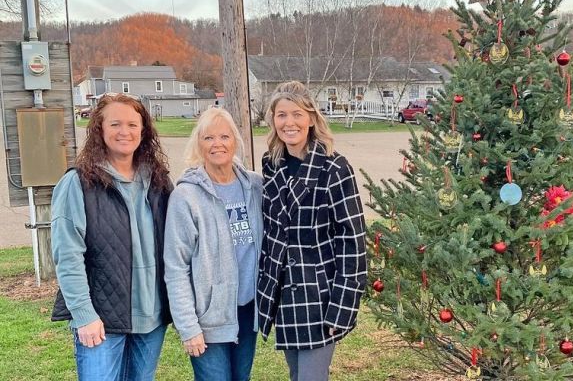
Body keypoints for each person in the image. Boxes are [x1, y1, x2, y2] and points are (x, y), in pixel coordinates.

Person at [50, 93, 173, 380]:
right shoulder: (78, 183)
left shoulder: (158, 180)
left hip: (151, 319)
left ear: (143, 131)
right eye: (115, 124)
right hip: (101, 321)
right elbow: (67, 255)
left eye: (132, 124)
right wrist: (84, 315)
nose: (124, 132)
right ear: (99, 130)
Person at [257, 81, 367, 381]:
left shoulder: (334, 168)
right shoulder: (271, 165)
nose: (289, 122)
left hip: (320, 297)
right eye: (281, 115)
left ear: (311, 118)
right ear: (273, 120)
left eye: (296, 114)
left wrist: (342, 308)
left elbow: (353, 243)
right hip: (284, 297)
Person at [163, 108, 263, 381]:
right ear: (199, 145)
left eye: (224, 136)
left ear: (235, 141)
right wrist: (189, 327)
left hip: (246, 311)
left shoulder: (255, 187)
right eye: (208, 138)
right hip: (208, 319)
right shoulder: (186, 197)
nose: (217, 144)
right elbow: (175, 268)